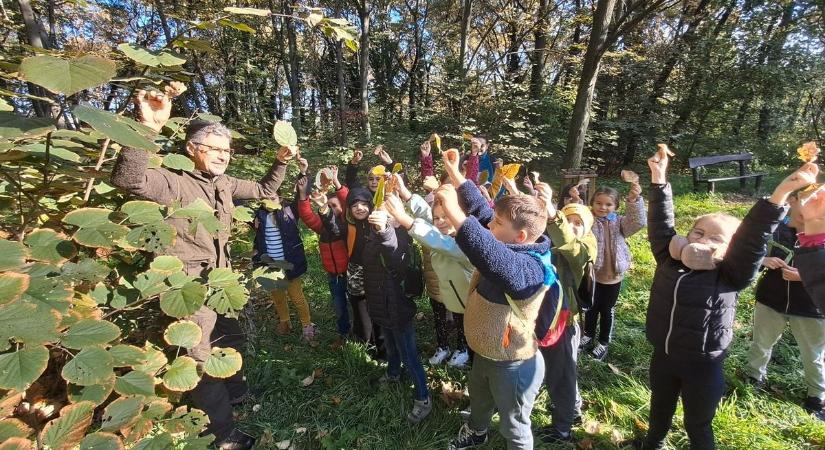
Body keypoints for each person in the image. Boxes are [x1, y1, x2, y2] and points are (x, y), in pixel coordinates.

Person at [111, 86, 298, 450]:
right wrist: (146, 128)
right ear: (191, 149)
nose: (222, 156)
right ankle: (222, 433)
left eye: (226, 150)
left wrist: (282, 161)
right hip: (187, 285)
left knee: (230, 338)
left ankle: (237, 392)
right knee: (199, 354)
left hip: (221, 281)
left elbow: (262, 189)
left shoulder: (224, 184)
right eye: (213, 148)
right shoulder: (174, 181)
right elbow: (128, 179)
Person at [639, 146, 812, 450]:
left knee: (698, 425)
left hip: (704, 366)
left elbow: (754, 237)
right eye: (697, 232)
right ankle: (653, 444)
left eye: (716, 238)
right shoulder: (669, 260)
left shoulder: (732, 274)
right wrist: (659, 176)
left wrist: (782, 192)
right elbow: (660, 224)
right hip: (663, 357)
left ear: (731, 248)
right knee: (659, 412)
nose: (702, 241)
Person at [439, 149, 559, 450]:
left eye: (497, 225)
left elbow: (489, 255)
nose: (489, 226)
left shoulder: (529, 269)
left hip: (512, 366)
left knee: (514, 424)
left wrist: (454, 212)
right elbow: (481, 211)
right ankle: (477, 431)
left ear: (519, 237)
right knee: (479, 400)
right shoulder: (508, 238)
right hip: (486, 354)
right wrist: (456, 174)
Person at [744, 193, 825, 419]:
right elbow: (748, 250)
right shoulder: (777, 227)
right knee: (761, 341)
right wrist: (763, 261)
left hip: (811, 307)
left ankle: (816, 395)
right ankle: (753, 376)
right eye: (799, 203)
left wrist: (805, 275)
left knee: (813, 353)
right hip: (771, 298)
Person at [384, 178, 472, 368]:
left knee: (464, 325)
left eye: (445, 217)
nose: (439, 222)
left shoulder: (464, 242)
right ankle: (445, 347)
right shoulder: (440, 228)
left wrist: (403, 217)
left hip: (465, 299)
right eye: (437, 218)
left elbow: (440, 243)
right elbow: (426, 214)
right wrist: (406, 193)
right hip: (446, 292)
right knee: (441, 318)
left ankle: (464, 350)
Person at [533, 183, 597, 444]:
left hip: (563, 322)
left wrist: (554, 216)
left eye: (577, 223)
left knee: (561, 375)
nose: (571, 227)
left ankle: (562, 428)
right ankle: (573, 408)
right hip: (542, 317)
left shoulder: (585, 248)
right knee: (560, 370)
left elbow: (569, 245)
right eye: (566, 220)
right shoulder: (548, 244)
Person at [362, 196, 432, 423]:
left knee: (409, 354)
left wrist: (385, 230)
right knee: (391, 346)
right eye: (381, 212)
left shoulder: (401, 238)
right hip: (381, 305)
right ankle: (393, 373)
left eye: (390, 214)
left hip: (398, 307)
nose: (383, 217)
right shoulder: (373, 235)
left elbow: (396, 261)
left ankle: (423, 397)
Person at [252, 156, 316, 344]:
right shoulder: (259, 215)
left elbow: (301, 194)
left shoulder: (289, 210)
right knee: (278, 296)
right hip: (270, 265)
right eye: (265, 197)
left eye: (272, 196)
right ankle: (285, 321)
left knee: (297, 297)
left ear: (279, 196)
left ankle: (307, 325)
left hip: (290, 262)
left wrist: (304, 172)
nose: (269, 200)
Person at [581, 182, 646, 361]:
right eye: (599, 203)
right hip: (593, 275)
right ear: (592, 204)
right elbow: (573, 222)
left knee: (606, 309)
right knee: (591, 307)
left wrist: (634, 200)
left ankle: (603, 342)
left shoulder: (619, 222)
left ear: (616, 206)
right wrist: (574, 199)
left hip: (613, 276)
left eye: (608, 204)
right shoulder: (588, 221)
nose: (603, 207)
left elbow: (638, 221)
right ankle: (588, 335)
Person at [296, 164, 352, 344]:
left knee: (357, 307)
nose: (331, 208)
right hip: (333, 275)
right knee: (339, 307)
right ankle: (344, 334)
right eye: (328, 205)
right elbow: (306, 215)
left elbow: (347, 199)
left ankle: (362, 333)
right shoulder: (322, 228)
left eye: (335, 206)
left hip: (350, 273)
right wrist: (303, 196)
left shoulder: (346, 225)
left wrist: (336, 182)